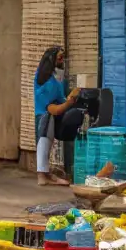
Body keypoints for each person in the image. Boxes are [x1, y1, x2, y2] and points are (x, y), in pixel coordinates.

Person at [33, 45, 91, 187]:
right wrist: (70, 102)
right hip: (45, 115)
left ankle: (46, 174)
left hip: (54, 115)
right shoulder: (44, 82)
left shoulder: (57, 79)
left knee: (49, 142)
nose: (62, 60)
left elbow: (61, 99)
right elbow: (53, 109)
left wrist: (71, 99)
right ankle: (42, 174)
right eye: (59, 58)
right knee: (44, 141)